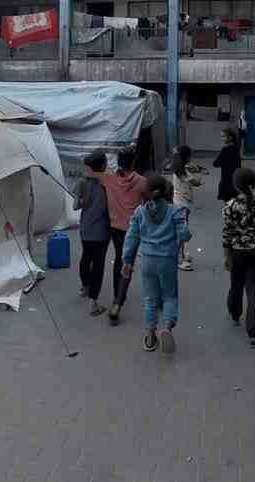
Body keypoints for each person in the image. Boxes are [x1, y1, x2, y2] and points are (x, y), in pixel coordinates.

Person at [122, 174, 191, 354]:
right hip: (167, 260)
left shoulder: (139, 211)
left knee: (150, 298)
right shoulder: (174, 211)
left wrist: (127, 260)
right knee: (169, 296)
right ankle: (167, 327)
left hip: (147, 260)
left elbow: (131, 238)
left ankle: (150, 335)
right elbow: (185, 235)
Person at [94, 146, 148, 325]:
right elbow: (147, 204)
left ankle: (118, 297)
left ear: (118, 163)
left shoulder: (108, 179)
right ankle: (118, 301)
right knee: (128, 263)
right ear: (133, 162)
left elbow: (89, 171)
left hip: (115, 227)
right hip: (134, 229)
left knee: (119, 259)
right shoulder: (142, 182)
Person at [222, 168, 255, 348]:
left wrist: (227, 257)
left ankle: (235, 314)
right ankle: (253, 333)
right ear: (253, 184)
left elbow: (226, 235)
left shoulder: (229, 206)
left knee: (236, 285)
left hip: (237, 253)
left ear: (236, 185)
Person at [74, 151, 111, 316]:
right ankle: (94, 304)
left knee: (86, 257)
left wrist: (83, 202)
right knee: (98, 265)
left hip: (85, 230)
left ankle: (85, 287)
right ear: (103, 166)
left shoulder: (82, 182)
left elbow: (75, 206)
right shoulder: (108, 182)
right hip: (102, 232)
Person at [170, 145, 202, 271]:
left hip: (181, 202)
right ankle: (178, 260)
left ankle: (181, 256)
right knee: (181, 234)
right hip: (181, 204)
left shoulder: (180, 169)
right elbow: (197, 182)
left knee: (180, 232)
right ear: (187, 157)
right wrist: (197, 171)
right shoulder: (182, 172)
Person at [213, 128, 241, 204]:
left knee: (228, 203)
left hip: (226, 180)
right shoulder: (236, 148)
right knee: (235, 202)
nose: (222, 138)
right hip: (235, 179)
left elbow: (215, 164)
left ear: (230, 137)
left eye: (223, 136)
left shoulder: (225, 150)